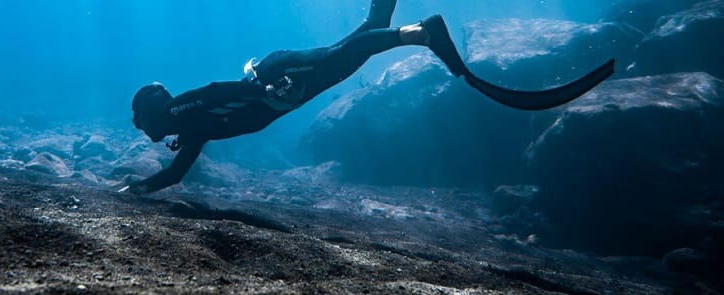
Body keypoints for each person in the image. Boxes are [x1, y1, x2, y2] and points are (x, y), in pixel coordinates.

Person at [124, 0, 614, 194]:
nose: (145, 131)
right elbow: (177, 172)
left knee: (341, 54)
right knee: (355, 45)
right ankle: (394, 19)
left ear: (150, 112)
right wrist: (137, 190)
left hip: (278, 79)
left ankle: (421, 33)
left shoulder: (174, 111)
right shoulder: (186, 131)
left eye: (141, 122)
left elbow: (214, 91)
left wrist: (257, 87)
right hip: (288, 93)